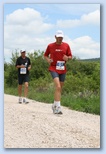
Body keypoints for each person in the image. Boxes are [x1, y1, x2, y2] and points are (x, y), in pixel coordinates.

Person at [44, 30, 72, 114]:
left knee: (59, 89)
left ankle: (54, 105)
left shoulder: (66, 45)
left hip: (62, 69)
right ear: (55, 37)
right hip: (53, 68)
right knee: (58, 87)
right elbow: (45, 55)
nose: (60, 39)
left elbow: (70, 56)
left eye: (61, 37)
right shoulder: (50, 46)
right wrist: (48, 59)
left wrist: (68, 58)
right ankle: (58, 107)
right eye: (59, 37)